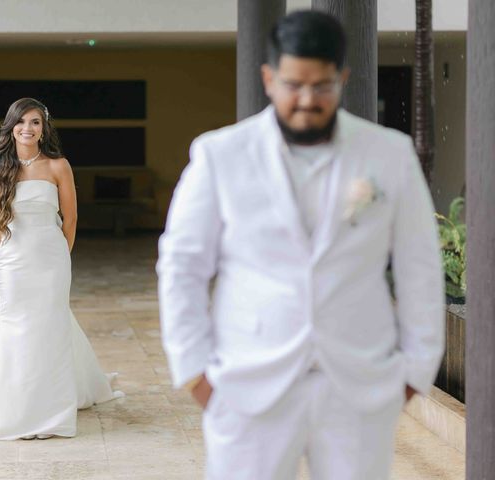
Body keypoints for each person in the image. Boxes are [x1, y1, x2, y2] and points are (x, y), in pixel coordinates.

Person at [157, 10, 444, 480]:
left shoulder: (388, 153)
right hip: (247, 384)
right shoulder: (220, 154)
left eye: (322, 87)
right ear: (269, 79)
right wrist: (194, 372)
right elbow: (182, 266)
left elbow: (420, 265)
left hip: (359, 383)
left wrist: (415, 371)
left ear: (342, 79)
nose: (307, 100)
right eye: (293, 85)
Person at [0, 97, 123, 441]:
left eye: (35, 122)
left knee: (51, 322)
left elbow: (71, 217)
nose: (28, 128)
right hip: (14, 259)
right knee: (16, 322)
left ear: (43, 127)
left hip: (52, 258)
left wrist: (60, 255)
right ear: (11, 127)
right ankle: (12, 403)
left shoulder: (58, 166)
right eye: (21, 122)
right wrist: (8, 251)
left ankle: (52, 406)